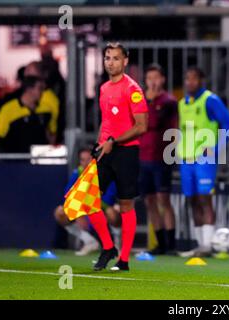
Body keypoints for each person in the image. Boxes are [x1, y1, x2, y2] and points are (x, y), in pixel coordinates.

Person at [89, 42, 148, 272]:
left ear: (125, 61)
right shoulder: (104, 88)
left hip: (126, 152)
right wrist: (100, 142)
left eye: (115, 58)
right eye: (107, 58)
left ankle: (123, 260)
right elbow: (106, 121)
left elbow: (142, 126)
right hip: (106, 150)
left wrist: (115, 141)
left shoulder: (132, 89)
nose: (110, 62)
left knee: (125, 205)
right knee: (89, 200)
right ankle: (107, 247)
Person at [177, 66, 229, 258]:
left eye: (193, 79)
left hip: (204, 160)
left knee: (205, 199)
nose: (189, 82)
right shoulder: (182, 103)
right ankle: (201, 244)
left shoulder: (210, 100)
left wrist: (216, 150)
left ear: (201, 81)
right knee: (192, 200)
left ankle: (208, 245)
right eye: (187, 78)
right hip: (186, 159)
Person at [138, 63, 178, 255]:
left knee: (164, 199)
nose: (152, 82)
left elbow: (151, 122)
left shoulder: (168, 102)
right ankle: (160, 243)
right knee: (149, 201)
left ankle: (170, 245)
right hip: (143, 156)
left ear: (162, 79)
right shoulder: (141, 101)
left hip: (161, 157)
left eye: (156, 77)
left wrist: (150, 102)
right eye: (149, 78)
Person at [53, 147, 120, 256]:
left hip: (103, 212)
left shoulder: (105, 173)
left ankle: (116, 245)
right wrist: (79, 213)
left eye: (88, 159)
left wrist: (83, 208)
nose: (85, 163)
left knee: (113, 212)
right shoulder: (77, 173)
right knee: (60, 212)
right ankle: (89, 241)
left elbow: (107, 201)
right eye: (82, 160)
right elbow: (68, 197)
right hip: (87, 213)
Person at [0, 76, 56, 152]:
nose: (43, 92)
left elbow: (51, 134)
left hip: (41, 159)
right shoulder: (9, 109)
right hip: (16, 160)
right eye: (40, 88)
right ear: (29, 89)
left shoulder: (47, 109)